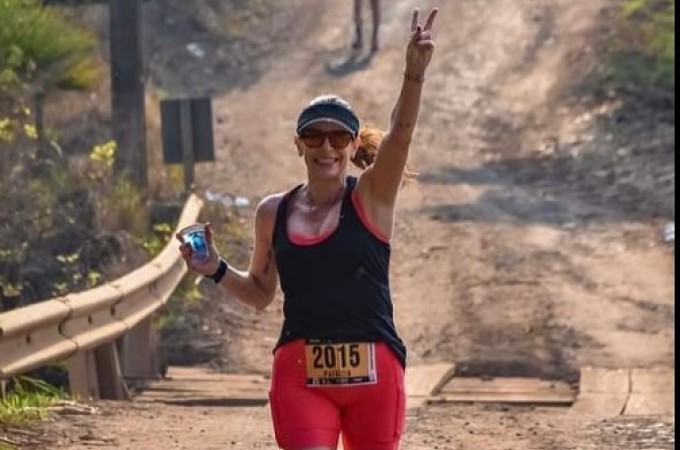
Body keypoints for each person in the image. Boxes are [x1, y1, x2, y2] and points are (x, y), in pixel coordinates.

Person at [177, 7, 438, 450]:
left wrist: (413, 75)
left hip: (374, 370)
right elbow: (261, 292)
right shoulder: (272, 212)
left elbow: (400, 134)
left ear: (354, 145)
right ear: (299, 144)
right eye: (314, 136)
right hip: (300, 372)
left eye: (338, 138)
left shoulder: (371, 198)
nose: (326, 147)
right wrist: (215, 268)